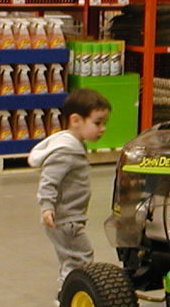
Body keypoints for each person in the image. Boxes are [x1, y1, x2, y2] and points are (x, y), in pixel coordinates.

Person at [28, 89, 112, 293]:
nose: (102, 129)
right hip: (65, 219)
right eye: (97, 123)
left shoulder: (72, 145)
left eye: (104, 123)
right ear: (76, 120)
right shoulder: (65, 151)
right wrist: (47, 206)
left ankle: (69, 291)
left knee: (71, 257)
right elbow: (49, 180)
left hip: (69, 217)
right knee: (80, 256)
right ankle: (69, 294)